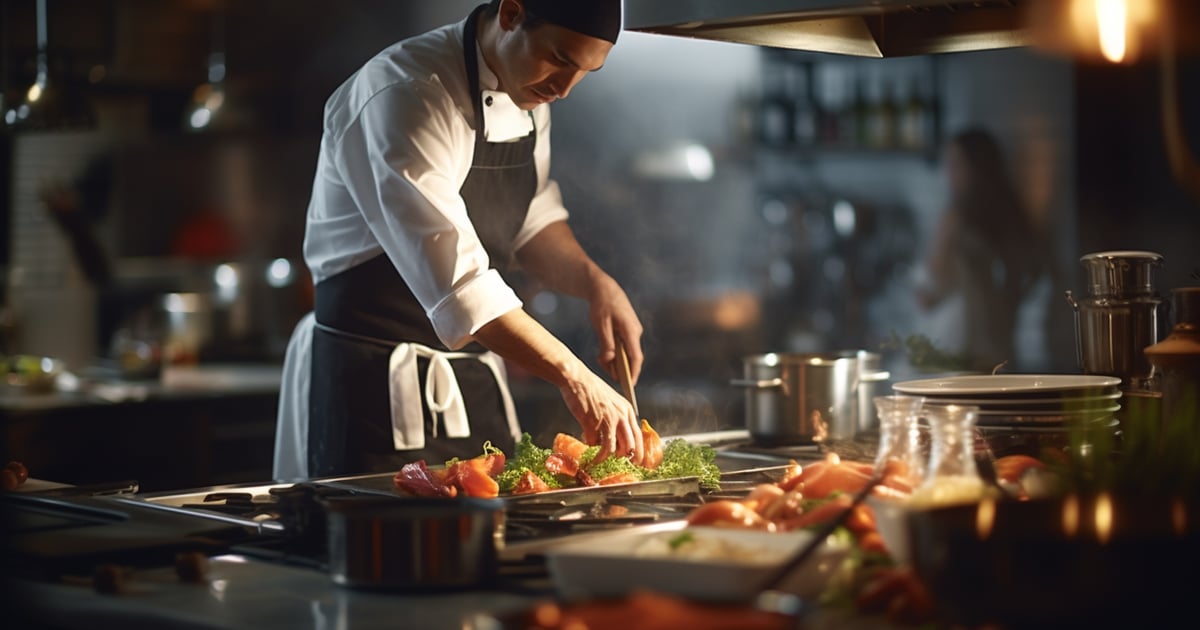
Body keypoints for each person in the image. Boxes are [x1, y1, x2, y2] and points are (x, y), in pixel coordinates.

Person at [274, 0, 648, 481]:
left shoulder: (530, 91)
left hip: (471, 378)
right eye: (559, 59)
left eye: (584, 72)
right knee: (382, 528)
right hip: (369, 384)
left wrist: (595, 284)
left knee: (496, 526)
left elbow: (530, 221)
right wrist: (576, 377)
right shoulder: (404, 93)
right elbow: (462, 286)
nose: (564, 89)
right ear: (510, 14)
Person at [915, 127, 1044, 372]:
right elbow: (1031, 273)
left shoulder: (956, 219)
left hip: (960, 336)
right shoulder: (1011, 215)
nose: (949, 174)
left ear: (977, 169)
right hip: (998, 339)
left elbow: (929, 294)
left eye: (956, 165)